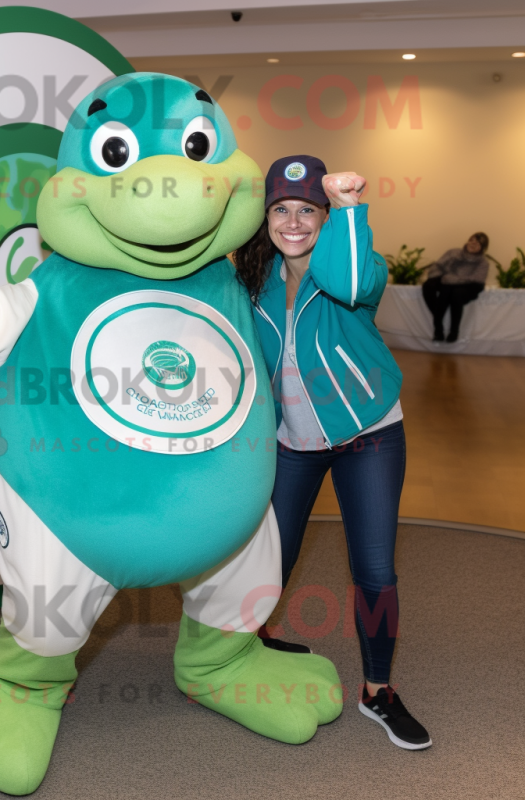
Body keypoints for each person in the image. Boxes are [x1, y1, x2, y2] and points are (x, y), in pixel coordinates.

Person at [234, 154, 431, 750]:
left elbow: (349, 284)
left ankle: (378, 691)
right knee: (272, 553)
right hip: (293, 441)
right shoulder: (252, 278)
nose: (293, 221)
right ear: (264, 217)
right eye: (281, 209)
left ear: (324, 216)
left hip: (367, 435)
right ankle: (256, 646)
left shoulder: (356, 262)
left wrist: (348, 208)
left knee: (373, 568)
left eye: (307, 210)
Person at [421, 234, 489, 342]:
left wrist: (453, 279)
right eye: (471, 240)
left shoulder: (483, 262)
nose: (473, 244)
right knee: (431, 286)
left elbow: (477, 279)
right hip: (447, 280)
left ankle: (454, 331)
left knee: (455, 293)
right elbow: (438, 265)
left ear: (483, 248)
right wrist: (442, 277)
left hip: (469, 286)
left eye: (477, 243)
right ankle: (438, 326)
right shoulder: (454, 252)